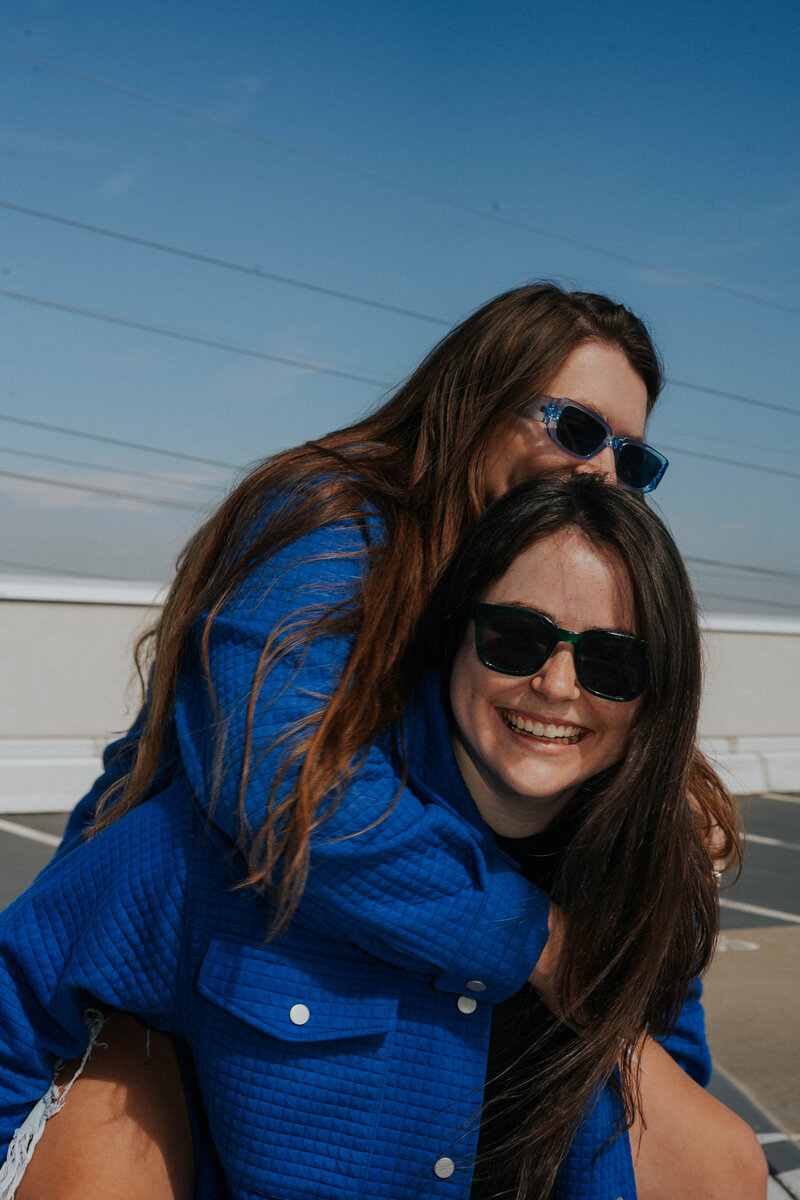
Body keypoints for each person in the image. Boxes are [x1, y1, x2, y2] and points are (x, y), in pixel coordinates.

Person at [0, 284, 748, 1194]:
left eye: (631, 457)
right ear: (477, 404)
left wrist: (655, 790)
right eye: (578, 430)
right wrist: (540, 941)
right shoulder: (331, 526)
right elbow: (290, 789)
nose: (600, 471)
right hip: (175, 970)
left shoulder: (499, 592)